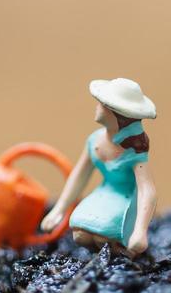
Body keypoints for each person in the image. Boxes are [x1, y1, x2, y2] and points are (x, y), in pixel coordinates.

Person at [40, 77, 158, 257]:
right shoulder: (94, 141)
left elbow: (147, 190)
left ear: (116, 114)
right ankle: (97, 263)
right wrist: (59, 209)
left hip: (125, 199)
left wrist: (140, 231)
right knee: (81, 236)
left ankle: (122, 260)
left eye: (102, 104)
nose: (97, 107)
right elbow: (80, 175)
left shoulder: (133, 152)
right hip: (104, 194)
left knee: (104, 237)